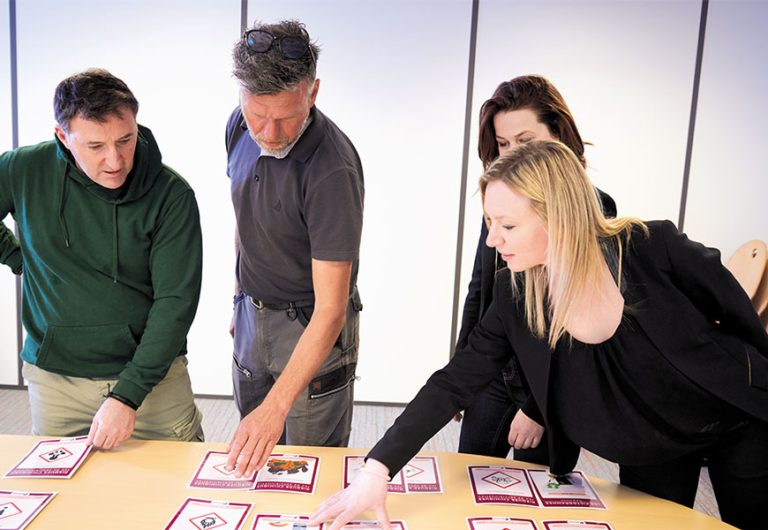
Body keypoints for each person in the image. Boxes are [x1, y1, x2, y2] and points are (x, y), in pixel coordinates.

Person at [310, 141, 768, 530]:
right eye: (490, 223)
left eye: (507, 226)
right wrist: (377, 469)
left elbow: (740, 315)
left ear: (560, 219)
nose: (493, 241)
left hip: (735, 424)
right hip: (651, 450)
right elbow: (453, 382)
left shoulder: (653, 247)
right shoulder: (517, 297)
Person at [0, 69, 204, 449]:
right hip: (56, 379)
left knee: (176, 493)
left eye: (125, 140)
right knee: (61, 502)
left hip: (153, 381)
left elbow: (175, 304)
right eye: (95, 147)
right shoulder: (23, 170)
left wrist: (127, 395)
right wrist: (18, 257)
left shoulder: (171, 195)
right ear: (63, 136)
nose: (115, 161)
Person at [225, 19, 364, 477]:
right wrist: (239, 297)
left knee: (308, 466)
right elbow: (246, 216)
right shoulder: (237, 128)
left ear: (313, 92)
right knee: (253, 459)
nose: (269, 131)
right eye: (257, 113)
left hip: (310, 324)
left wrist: (277, 405)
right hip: (251, 312)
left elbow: (331, 309)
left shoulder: (331, 171)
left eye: (285, 116)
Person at [456, 75, 616, 464]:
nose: (513, 155)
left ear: (558, 133)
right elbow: (480, 288)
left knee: (540, 497)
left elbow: (580, 333)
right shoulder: (502, 201)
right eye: (504, 144)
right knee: (467, 478)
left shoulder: (594, 209)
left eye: (525, 142)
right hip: (495, 372)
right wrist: (462, 371)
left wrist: (537, 407)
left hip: (549, 386)